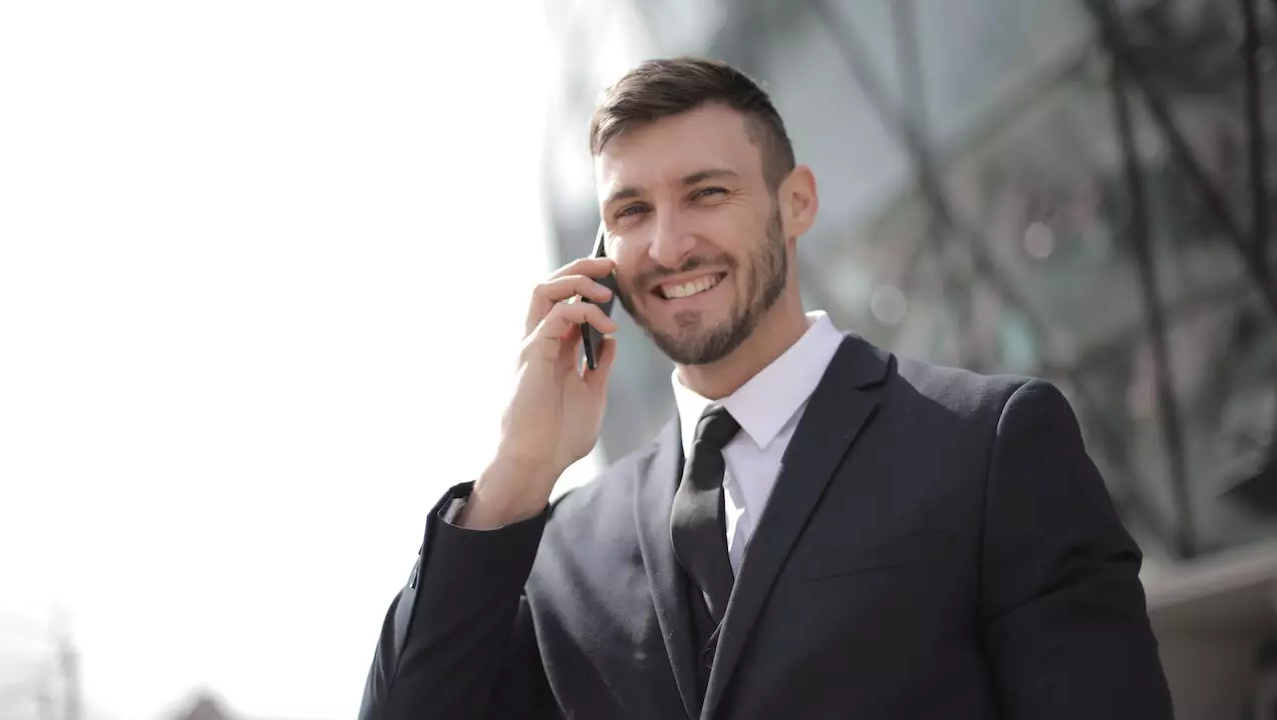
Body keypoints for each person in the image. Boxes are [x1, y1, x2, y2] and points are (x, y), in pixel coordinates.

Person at [357, 57, 1173, 720]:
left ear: (796, 203)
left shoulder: (990, 447)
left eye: (707, 194)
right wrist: (517, 474)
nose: (669, 245)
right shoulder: (562, 551)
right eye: (633, 211)